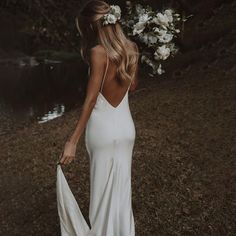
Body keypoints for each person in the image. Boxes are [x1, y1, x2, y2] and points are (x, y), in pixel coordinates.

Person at [56, 1, 139, 235]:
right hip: (125, 129)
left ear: (91, 28)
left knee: (102, 195)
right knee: (122, 190)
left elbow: (91, 100)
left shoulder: (97, 53)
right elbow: (132, 87)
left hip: (102, 131)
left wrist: (72, 141)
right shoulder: (132, 48)